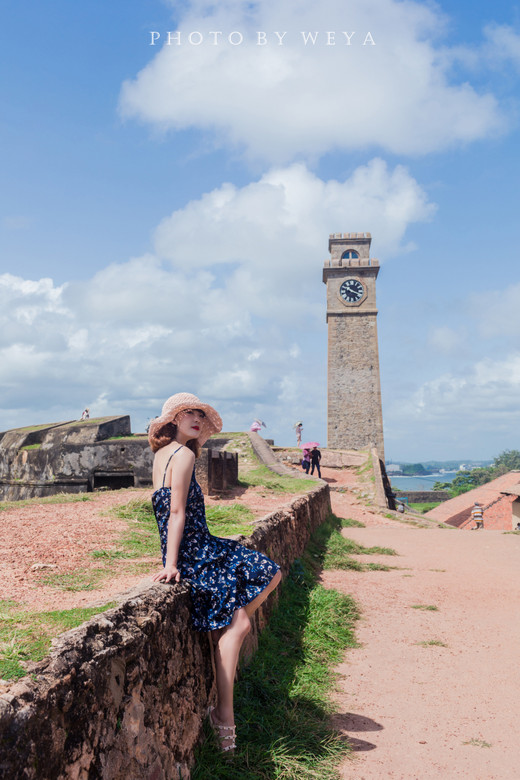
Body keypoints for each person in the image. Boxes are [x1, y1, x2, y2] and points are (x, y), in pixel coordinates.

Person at [149, 392, 281, 754]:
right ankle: (224, 715)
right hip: (196, 556)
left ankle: (225, 633)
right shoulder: (185, 455)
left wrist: (198, 434)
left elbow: (166, 513)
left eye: (198, 414)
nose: (194, 417)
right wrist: (171, 565)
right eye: (186, 413)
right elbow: (177, 513)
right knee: (263, 584)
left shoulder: (163, 454)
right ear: (173, 419)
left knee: (264, 579)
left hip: (197, 549)